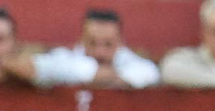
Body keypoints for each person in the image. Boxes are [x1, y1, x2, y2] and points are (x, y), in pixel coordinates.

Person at [31, 8, 160, 89]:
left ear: (120, 42)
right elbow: (41, 67)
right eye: (92, 43)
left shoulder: (131, 61)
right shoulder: (64, 57)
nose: (100, 52)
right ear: (82, 40)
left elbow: (150, 72)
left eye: (108, 44)